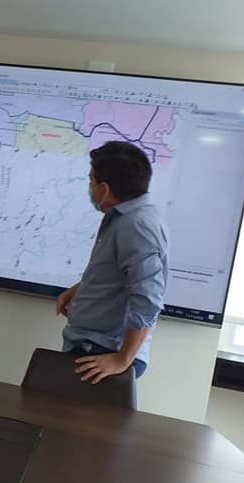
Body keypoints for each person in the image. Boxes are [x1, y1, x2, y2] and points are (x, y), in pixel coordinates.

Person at [55, 140, 169, 384]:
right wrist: (81, 289)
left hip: (102, 352)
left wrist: (121, 360)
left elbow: (148, 300)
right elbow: (122, 273)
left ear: (104, 189)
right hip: (93, 345)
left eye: (91, 181)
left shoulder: (137, 226)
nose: (89, 187)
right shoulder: (125, 218)